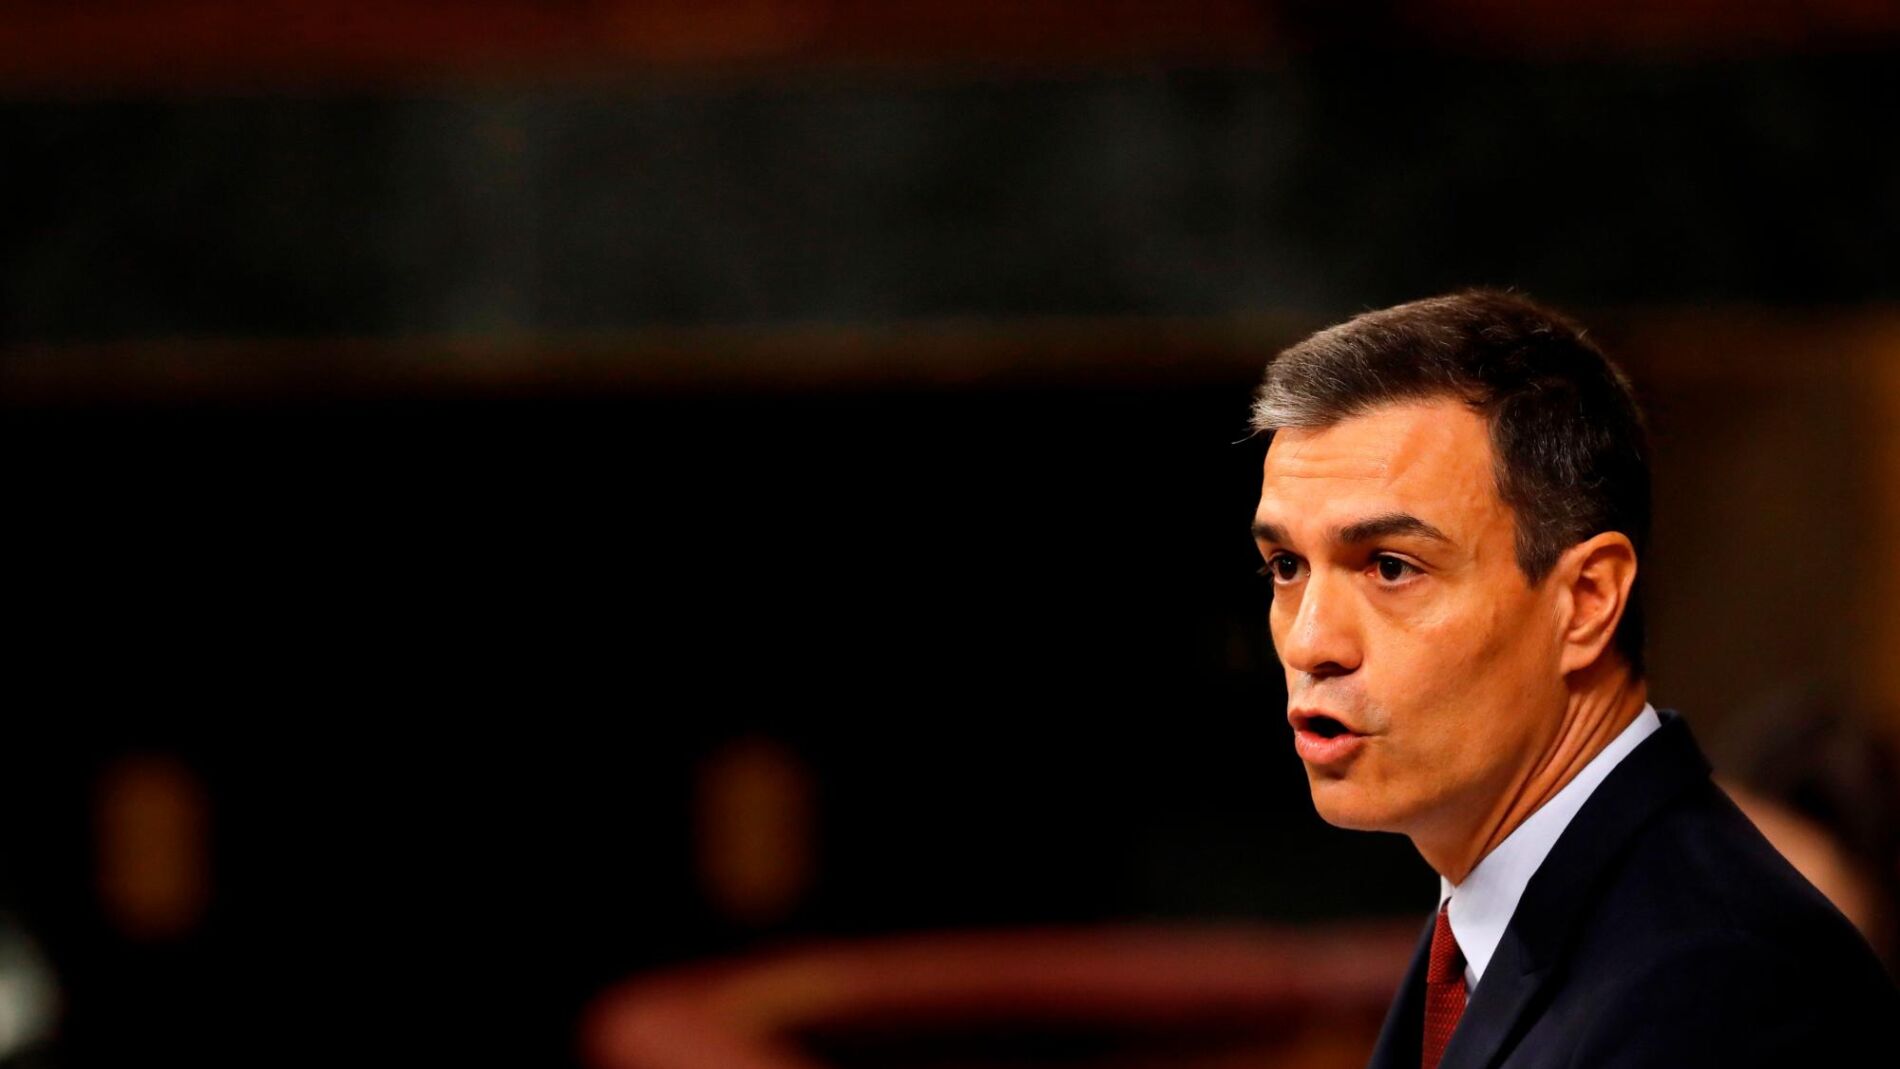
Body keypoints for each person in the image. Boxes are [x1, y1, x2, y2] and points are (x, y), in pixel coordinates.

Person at [1246, 290, 1899, 1068]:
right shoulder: (1493, 914)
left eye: (1391, 566)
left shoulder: (1720, 983)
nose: (1311, 640)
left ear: (1587, 600)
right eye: (1286, 566)